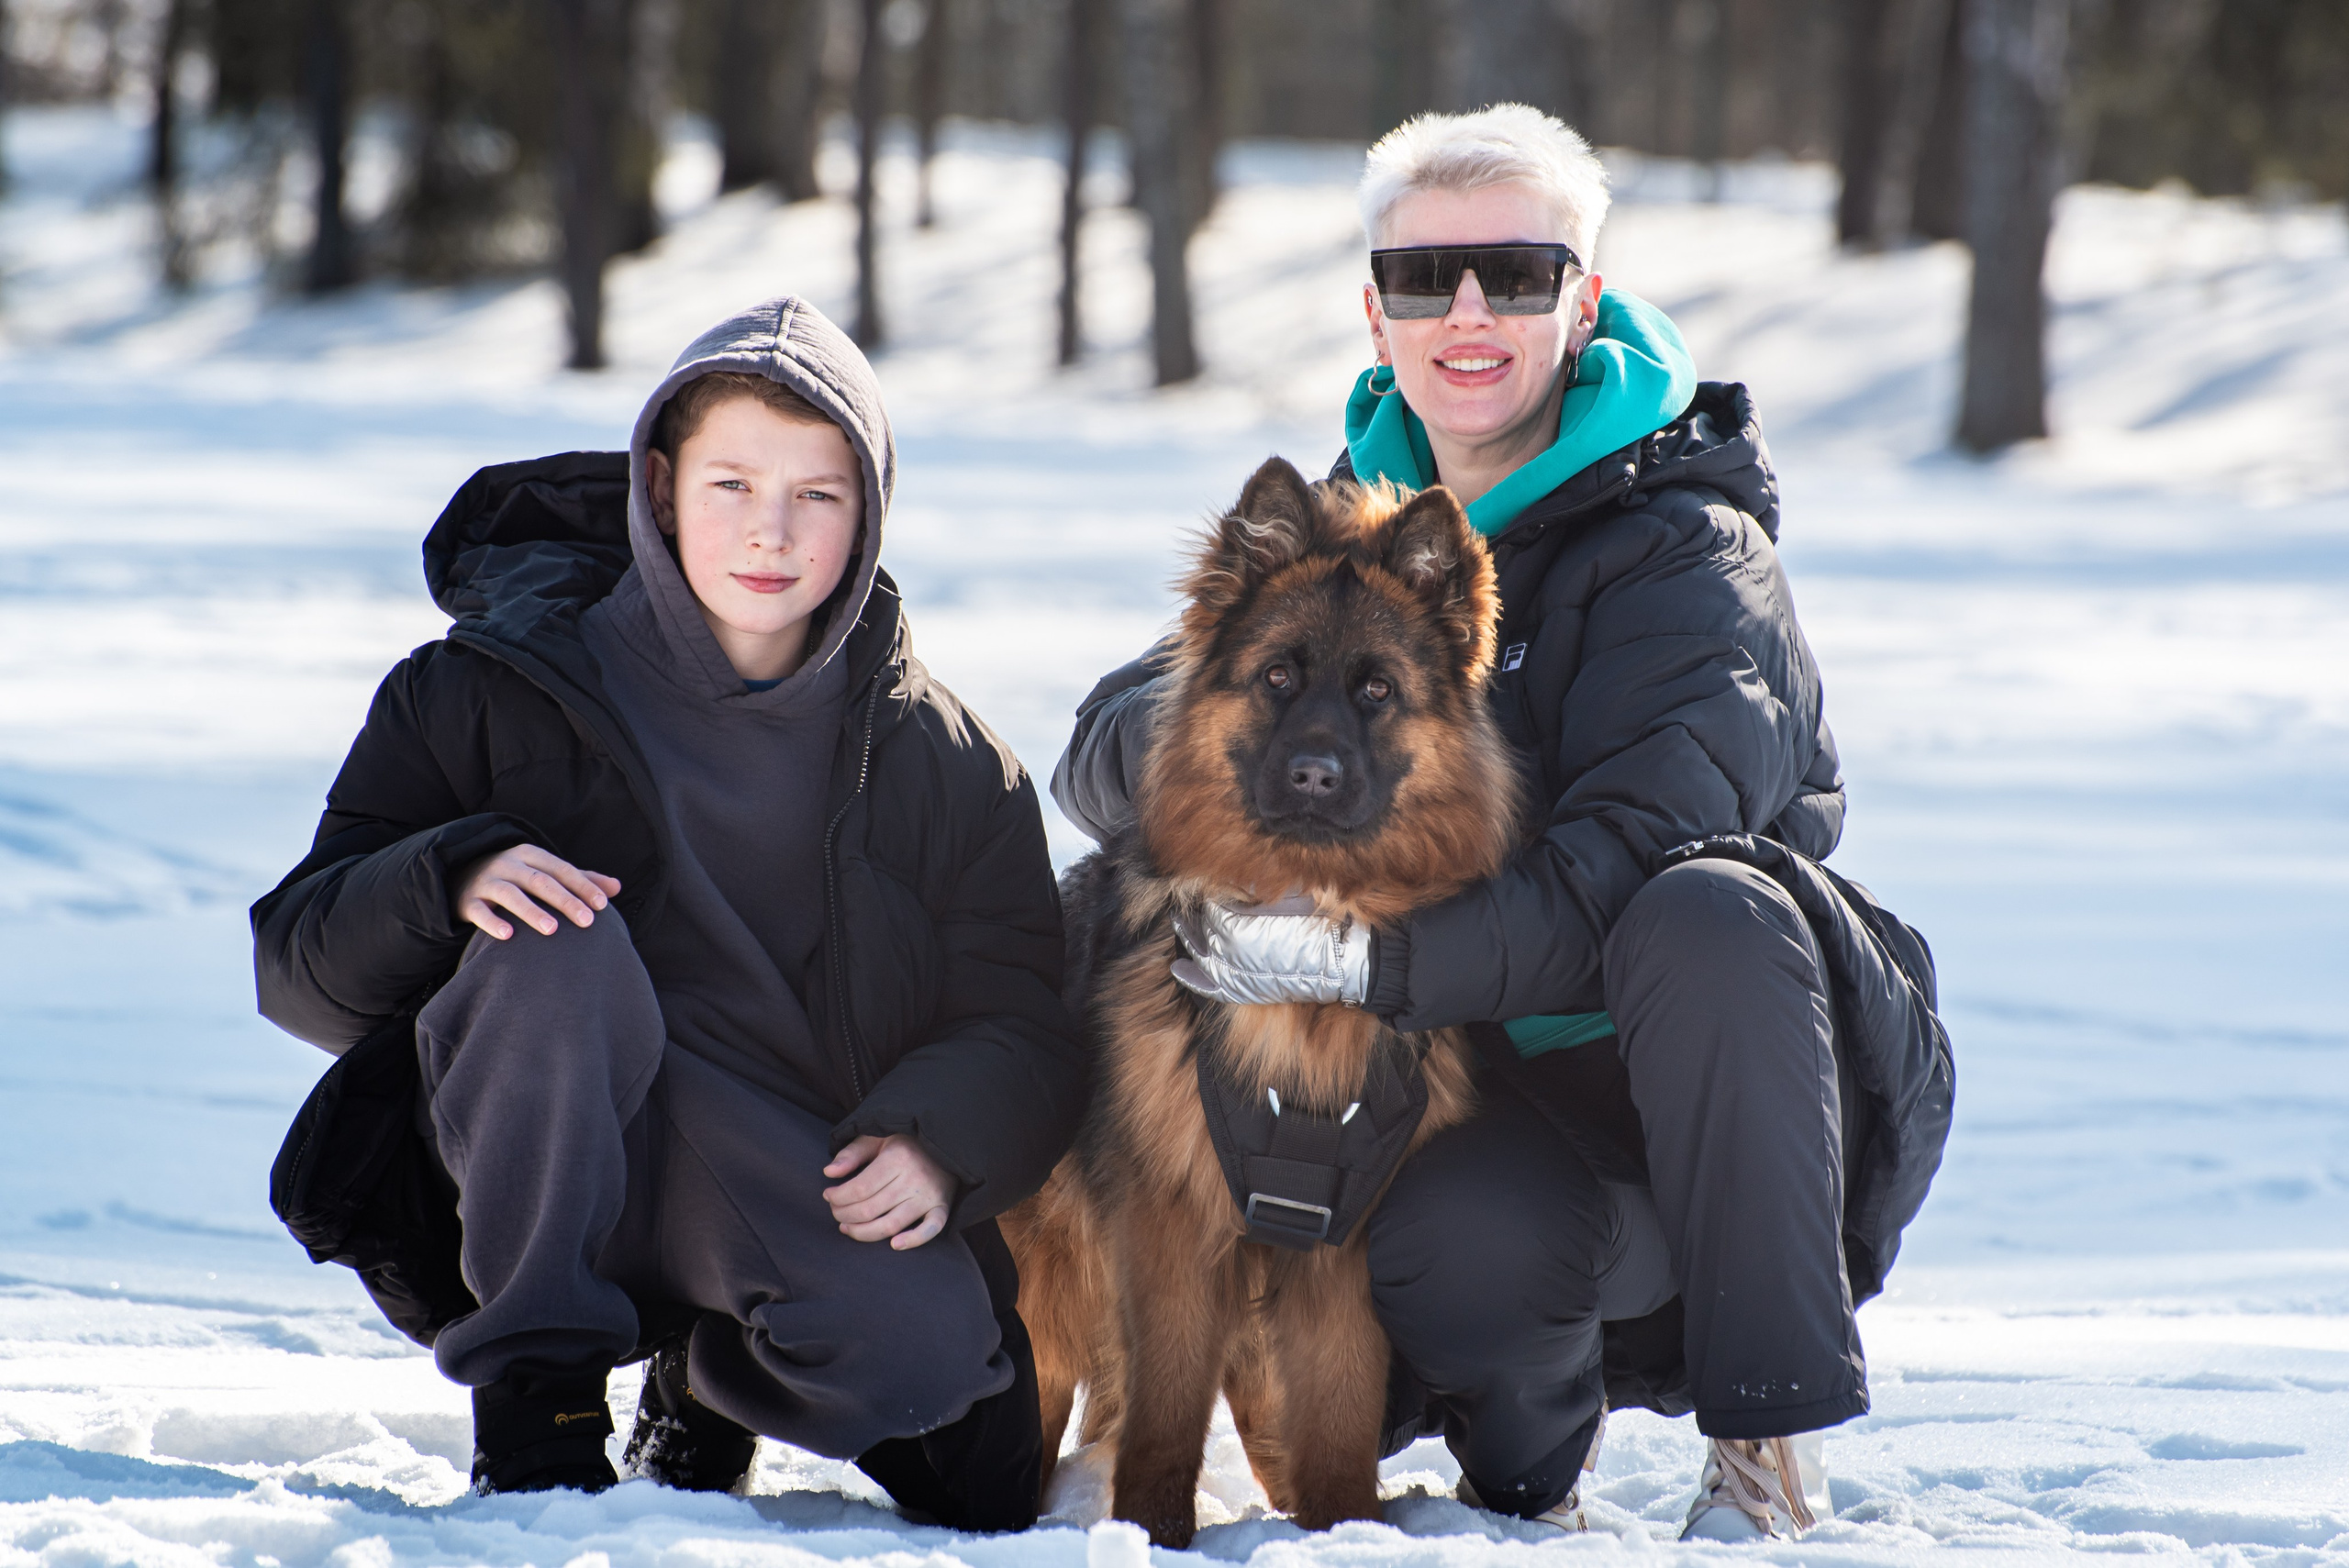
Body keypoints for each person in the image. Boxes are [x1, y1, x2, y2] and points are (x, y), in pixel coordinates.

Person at [1051, 106, 1951, 1541]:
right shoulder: (1336, 526)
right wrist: (1219, 789)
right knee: (1430, 1225)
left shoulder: (1688, 553)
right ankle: (1516, 1462)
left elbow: (1625, 870)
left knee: (1708, 906)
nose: (1468, 313)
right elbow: (1115, 742)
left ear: (1580, 298)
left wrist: (1367, 966)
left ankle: (1766, 1441)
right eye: (1425, 278)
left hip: (1687, 1125)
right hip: (1475, 1113)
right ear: (1377, 309)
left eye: (1518, 274)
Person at [253, 297, 1084, 1528]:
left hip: (765, 1154)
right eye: (733, 483)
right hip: (536, 1131)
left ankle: (707, 1379)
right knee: (555, 943)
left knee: (952, 1419)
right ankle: (539, 1394)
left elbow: (1021, 1018)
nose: (771, 531)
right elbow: (297, 960)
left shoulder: (949, 761)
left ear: (871, 512)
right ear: (658, 482)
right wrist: (449, 876)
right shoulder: (489, 686)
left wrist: (939, 1144)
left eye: (819, 494)